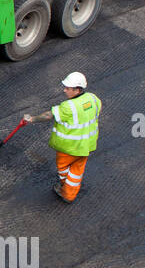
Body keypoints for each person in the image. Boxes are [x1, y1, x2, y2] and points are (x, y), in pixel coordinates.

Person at [23, 71, 101, 203]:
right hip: (86, 145)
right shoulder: (93, 98)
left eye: (68, 88)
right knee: (77, 170)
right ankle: (70, 192)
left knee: (64, 169)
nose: (64, 90)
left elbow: (49, 115)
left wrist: (31, 119)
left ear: (77, 89)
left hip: (69, 148)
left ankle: (66, 191)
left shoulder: (69, 107)